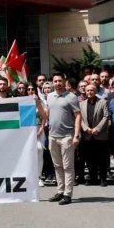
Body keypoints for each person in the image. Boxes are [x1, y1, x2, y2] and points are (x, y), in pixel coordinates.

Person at [46, 73, 81, 205]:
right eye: (55, 81)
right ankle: (60, 191)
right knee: (57, 166)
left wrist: (76, 135)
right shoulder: (49, 96)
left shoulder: (71, 97)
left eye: (60, 81)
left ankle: (67, 194)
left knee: (68, 166)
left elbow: (78, 116)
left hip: (67, 137)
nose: (57, 83)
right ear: (52, 82)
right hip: (52, 136)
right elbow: (47, 114)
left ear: (64, 81)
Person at [79, 83, 110, 186]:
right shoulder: (81, 104)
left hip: (100, 135)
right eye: (87, 90)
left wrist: (97, 129)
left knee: (101, 158)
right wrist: (86, 129)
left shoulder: (103, 102)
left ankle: (103, 178)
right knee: (90, 159)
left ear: (95, 91)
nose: (89, 92)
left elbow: (106, 116)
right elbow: (79, 118)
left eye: (91, 90)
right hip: (87, 135)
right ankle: (93, 178)